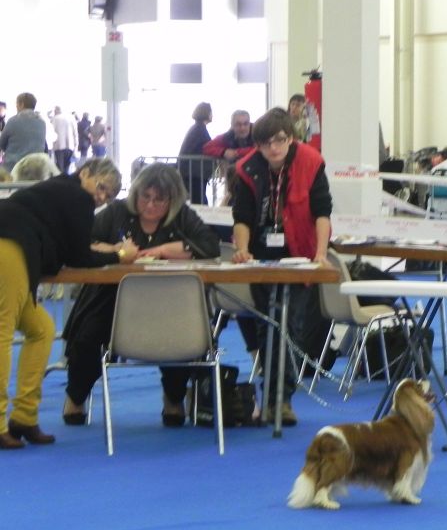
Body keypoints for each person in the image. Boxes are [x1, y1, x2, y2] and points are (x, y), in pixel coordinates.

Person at [61, 163, 220, 427]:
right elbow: (84, 241)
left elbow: (209, 245)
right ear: (136, 193)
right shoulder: (117, 211)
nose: (150, 205)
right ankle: (76, 396)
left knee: (181, 335)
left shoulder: (182, 216)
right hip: (110, 298)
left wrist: (165, 249)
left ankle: (173, 398)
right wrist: (116, 250)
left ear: (172, 200)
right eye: (145, 197)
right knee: (88, 336)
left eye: (159, 200)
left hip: (169, 301)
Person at [0, 157, 136, 450]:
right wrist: (121, 256)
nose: (100, 197)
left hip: (14, 248)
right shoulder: (77, 196)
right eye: (101, 187)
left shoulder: (61, 190)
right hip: (8, 247)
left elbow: (73, 248)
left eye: (108, 195)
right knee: (2, 332)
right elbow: (80, 258)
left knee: (42, 329)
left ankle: (24, 416)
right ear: (84, 172)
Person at [231, 107, 333, 426]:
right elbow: (242, 218)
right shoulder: (247, 169)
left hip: (301, 252)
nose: (273, 148)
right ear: (257, 145)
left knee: (293, 327)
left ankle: (281, 398)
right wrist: (243, 251)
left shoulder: (312, 162)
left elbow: (322, 213)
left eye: (280, 140)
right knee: (269, 326)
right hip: (263, 254)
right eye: (265, 143)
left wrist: (320, 253)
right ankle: (275, 399)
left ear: (291, 138)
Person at [0, 93, 47, 172]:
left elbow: (2, 144)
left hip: (14, 168)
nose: (16, 106)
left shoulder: (13, 121)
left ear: (21, 104)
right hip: (36, 169)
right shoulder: (42, 122)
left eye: (17, 104)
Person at [178, 101, 214, 204]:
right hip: (194, 173)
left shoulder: (197, 129)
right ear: (206, 113)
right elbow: (207, 147)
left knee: (200, 200)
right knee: (199, 202)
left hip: (193, 172)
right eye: (211, 112)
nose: (212, 115)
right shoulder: (199, 130)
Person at [49, 106, 77, 174]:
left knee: (59, 167)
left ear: (56, 111)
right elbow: (75, 133)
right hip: (70, 145)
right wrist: (76, 145)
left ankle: (61, 182)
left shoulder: (54, 119)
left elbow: (52, 133)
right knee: (67, 166)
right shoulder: (71, 118)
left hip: (58, 146)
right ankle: (66, 180)